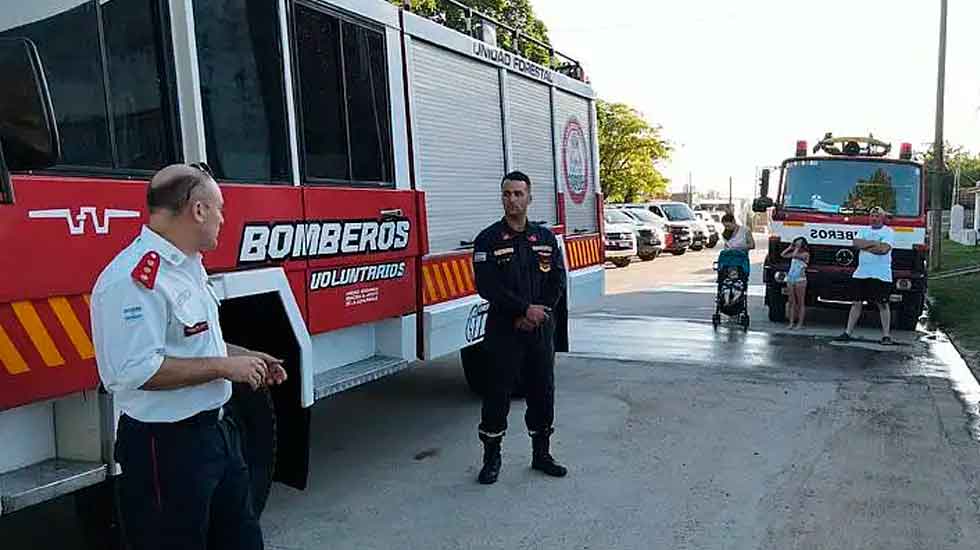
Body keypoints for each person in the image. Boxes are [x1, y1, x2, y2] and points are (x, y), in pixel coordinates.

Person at [91, 163, 287, 550]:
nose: (223, 219)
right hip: (166, 449)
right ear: (197, 210)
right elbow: (136, 370)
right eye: (219, 208)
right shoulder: (132, 279)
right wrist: (225, 367)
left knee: (242, 541)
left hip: (219, 435)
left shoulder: (188, 266)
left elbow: (194, 343)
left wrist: (247, 358)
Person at [471, 171, 568, 485]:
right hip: (504, 330)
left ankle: (542, 454)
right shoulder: (487, 239)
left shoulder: (544, 238)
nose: (512, 199)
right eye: (507, 194)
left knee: (542, 392)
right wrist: (522, 309)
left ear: (529, 197)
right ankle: (491, 458)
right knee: (497, 394)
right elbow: (487, 286)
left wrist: (540, 312)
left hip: (539, 330)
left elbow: (556, 279)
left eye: (518, 194)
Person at [837, 206, 895, 345]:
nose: (874, 218)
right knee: (856, 303)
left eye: (877, 216)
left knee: (882, 304)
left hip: (881, 275)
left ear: (882, 218)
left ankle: (886, 335)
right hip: (862, 272)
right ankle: (847, 332)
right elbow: (856, 243)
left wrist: (866, 245)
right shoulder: (863, 230)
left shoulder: (888, 232)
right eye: (872, 216)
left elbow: (884, 249)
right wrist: (875, 243)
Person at [781, 237, 810, 329]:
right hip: (791, 277)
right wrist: (790, 247)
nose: (797, 244)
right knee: (791, 301)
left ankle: (799, 324)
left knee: (800, 302)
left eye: (799, 243)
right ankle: (791, 322)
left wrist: (796, 249)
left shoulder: (805, 254)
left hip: (800, 279)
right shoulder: (794, 253)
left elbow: (794, 255)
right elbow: (783, 255)